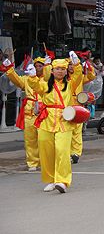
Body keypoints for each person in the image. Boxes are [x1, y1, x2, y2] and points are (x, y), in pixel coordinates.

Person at [25, 53, 82, 193]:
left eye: (63, 68)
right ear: (52, 70)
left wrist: (77, 65)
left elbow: (78, 76)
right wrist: (32, 77)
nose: (60, 71)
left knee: (62, 151)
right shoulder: (45, 85)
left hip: (64, 120)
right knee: (46, 152)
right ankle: (51, 180)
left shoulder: (70, 85)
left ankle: (62, 181)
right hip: (46, 121)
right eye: (57, 68)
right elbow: (35, 86)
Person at [3, 57, 46, 171]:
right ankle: (32, 163)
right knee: (30, 139)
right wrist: (9, 68)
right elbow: (16, 79)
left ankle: (45, 161)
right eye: (36, 66)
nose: (37, 68)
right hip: (30, 111)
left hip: (44, 112)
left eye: (40, 66)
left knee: (44, 139)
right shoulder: (26, 79)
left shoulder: (48, 79)